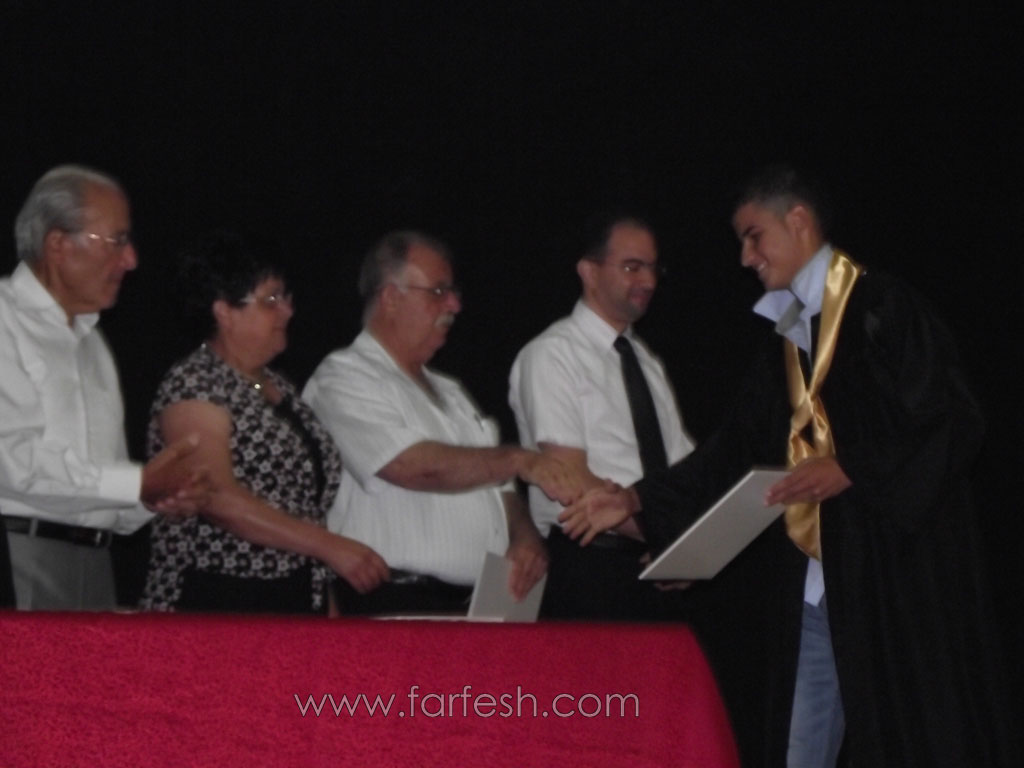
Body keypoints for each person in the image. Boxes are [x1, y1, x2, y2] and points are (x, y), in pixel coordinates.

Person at [560, 166, 1017, 767]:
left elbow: (953, 421)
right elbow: (730, 452)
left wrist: (850, 469)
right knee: (798, 749)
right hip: (816, 590)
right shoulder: (784, 341)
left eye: (754, 237)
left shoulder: (884, 307)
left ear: (797, 221)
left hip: (895, 586)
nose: (746, 257)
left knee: (912, 738)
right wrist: (637, 499)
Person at [303, 231, 583, 615]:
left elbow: (500, 485)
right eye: (438, 292)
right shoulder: (343, 377)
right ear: (391, 298)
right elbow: (409, 466)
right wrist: (519, 459)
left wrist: (524, 536)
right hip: (396, 605)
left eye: (453, 292)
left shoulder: (451, 392)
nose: (454, 304)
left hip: (480, 607)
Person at [140, 231, 388, 614]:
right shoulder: (195, 383)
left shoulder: (280, 387)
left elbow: (306, 508)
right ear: (224, 312)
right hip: (219, 601)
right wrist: (327, 546)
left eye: (286, 297)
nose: (287, 311)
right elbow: (215, 496)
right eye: (271, 300)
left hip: (294, 598)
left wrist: (324, 598)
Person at [0, 164, 206, 611]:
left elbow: (101, 490)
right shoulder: (4, 319)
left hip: (96, 564)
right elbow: (9, 461)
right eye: (116, 240)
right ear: (58, 244)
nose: (131, 260)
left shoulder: (93, 342)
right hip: (17, 560)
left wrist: (151, 497)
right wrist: (136, 481)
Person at [508, 215, 695, 620]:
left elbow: (683, 472)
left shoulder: (645, 361)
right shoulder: (552, 355)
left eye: (653, 268)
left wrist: (685, 543)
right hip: (590, 567)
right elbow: (569, 482)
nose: (648, 281)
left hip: (654, 565)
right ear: (589, 272)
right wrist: (665, 534)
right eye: (632, 267)